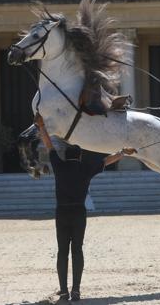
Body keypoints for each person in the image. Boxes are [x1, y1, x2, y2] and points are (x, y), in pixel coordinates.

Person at [34, 112, 137, 302]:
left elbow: (48, 144)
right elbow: (107, 160)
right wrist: (123, 152)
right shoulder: (85, 169)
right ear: (80, 156)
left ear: (66, 155)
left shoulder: (58, 165)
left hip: (62, 212)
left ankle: (63, 291)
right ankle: (76, 291)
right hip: (79, 212)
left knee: (62, 251)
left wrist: (41, 126)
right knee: (78, 250)